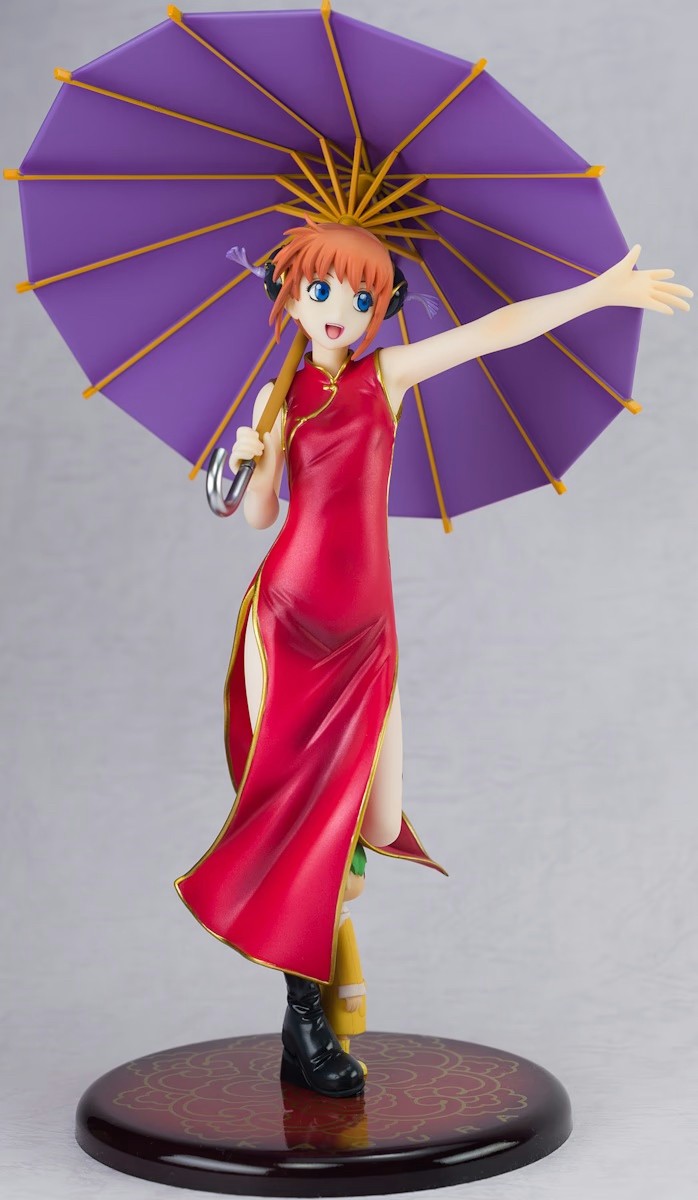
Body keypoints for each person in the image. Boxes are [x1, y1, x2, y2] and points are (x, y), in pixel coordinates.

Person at [176, 217, 690, 1097]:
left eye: (361, 296)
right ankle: (306, 1018)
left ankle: (327, 946)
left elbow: (496, 330)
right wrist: (254, 458)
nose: (338, 309)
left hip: (364, 631)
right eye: (320, 289)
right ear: (289, 294)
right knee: (302, 819)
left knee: (376, 824)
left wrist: (597, 294)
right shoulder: (275, 396)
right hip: (289, 622)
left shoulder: (385, 376)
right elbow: (256, 515)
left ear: (381, 309)